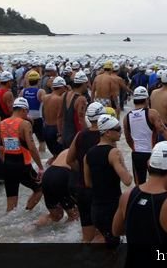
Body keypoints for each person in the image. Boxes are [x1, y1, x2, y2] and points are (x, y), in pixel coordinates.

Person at [0, 97, 44, 212]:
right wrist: (41, 167)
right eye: (26, 112)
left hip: (8, 165)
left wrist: (0, 148)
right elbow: (32, 148)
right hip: (23, 165)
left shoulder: (1, 124)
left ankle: (9, 224)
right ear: (23, 110)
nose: (27, 115)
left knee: (11, 204)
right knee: (40, 189)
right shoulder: (24, 124)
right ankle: (27, 212)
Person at [84, 114, 132, 245]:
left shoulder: (89, 153)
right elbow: (127, 180)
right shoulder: (114, 153)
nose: (121, 132)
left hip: (96, 209)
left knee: (109, 245)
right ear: (107, 133)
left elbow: (88, 182)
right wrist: (121, 159)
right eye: (117, 129)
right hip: (112, 209)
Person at [66, 101, 105, 242]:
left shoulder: (80, 135)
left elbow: (69, 160)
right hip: (100, 191)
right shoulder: (106, 137)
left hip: (82, 189)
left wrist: (83, 171)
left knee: (87, 238)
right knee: (103, 235)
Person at [124, 86, 167, 185]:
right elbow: (163, 131)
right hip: (152, 153)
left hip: (137, 154)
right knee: (158, 183)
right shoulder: (152, 113)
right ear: (147, 99)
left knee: (139, 185)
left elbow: (128, 138)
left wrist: (135, 149)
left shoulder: (127, 117)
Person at [35, 149, 79, 227]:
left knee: (56, 216)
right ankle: (66, 237)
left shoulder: (68, 149)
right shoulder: (87, 149)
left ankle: (31, 228)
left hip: (48, 174)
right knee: (74, 215)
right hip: (62, 176)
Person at [60, 70, 89, 149]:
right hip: (75, 136)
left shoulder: (65, 94)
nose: (88, 86)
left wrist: (60, 134)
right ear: (83, 84)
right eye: (86, 83)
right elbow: (81, 119)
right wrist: (88, 134)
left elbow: (60, 116)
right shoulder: (81, 99)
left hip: (65, 134)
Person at [20, 71, 46, 153]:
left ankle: (28, 158)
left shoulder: (23, 91)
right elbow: (46, 104)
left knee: (26, 141)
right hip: (38, 119)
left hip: (25, 119)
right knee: (42, 141)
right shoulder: (40, 92)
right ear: (38, 81)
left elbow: (19, 105)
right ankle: (42, 157)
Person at [42, 76, 68, 158]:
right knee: (61, 155)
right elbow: (61, 117)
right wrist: (61, 134)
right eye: (65, 87)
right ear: (62, 87)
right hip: (56, 129)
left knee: (54, 154)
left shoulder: (45, 97)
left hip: (46, 128)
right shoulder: (60, 99)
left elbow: (43, 113)